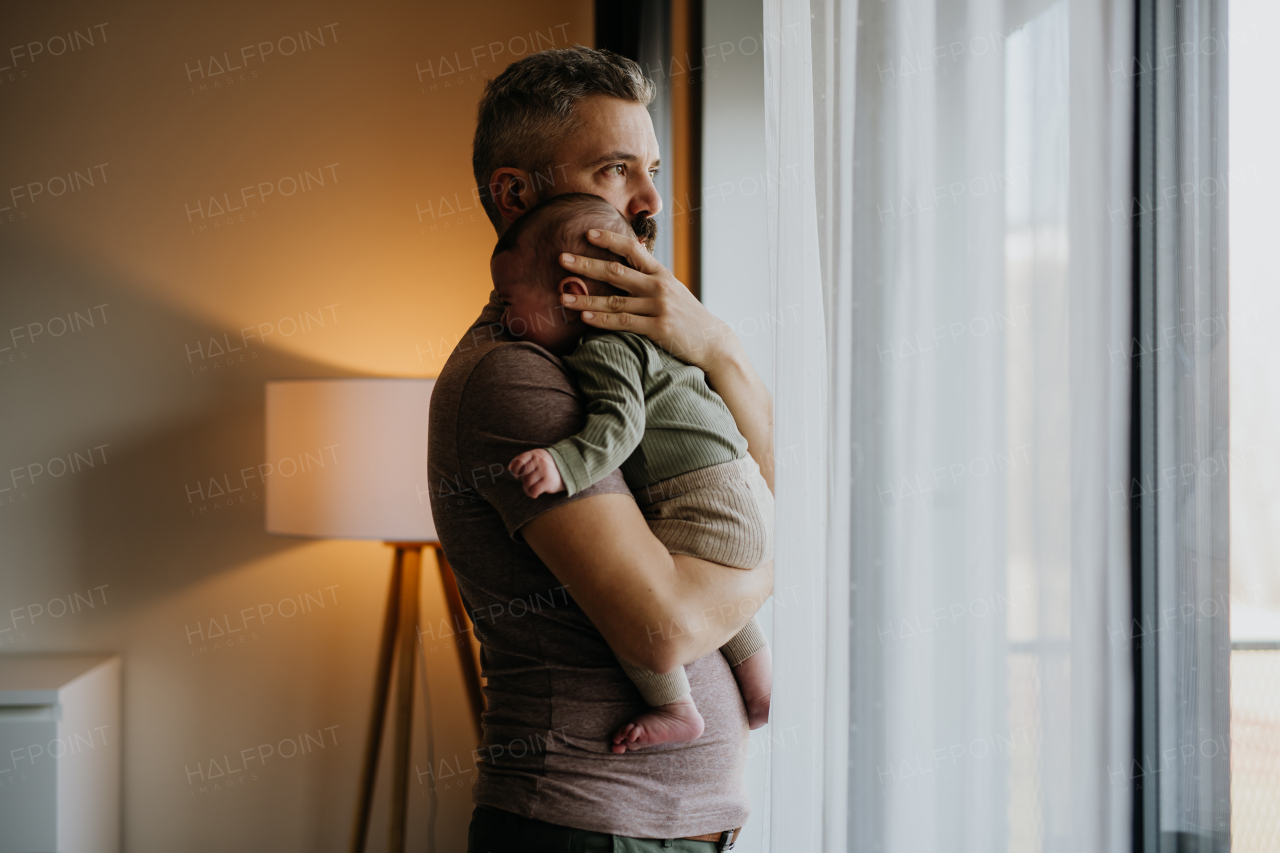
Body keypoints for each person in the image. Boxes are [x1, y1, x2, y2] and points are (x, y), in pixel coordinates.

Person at [428, 46, 774, 852]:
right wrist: (780, 542)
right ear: (515, 194)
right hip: (584, 826)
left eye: (650, 168)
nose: (652, 200)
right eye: (618, 169)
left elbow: (785, 482)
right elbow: (665, 631)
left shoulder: (642, 350)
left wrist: (718, 346)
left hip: (652, 831)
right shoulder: (517, 376)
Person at [493, 192, 773, 752]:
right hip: (745, 493)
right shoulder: (658, 340)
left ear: (572, 294)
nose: (503, 316)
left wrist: (561, 463)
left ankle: (674, 705)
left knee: (634, 600)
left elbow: (619, 427)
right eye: (619, 169)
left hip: (702, 497)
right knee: (710, 585)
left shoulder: (601, 349)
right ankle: (760, 681)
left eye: (508, 299)